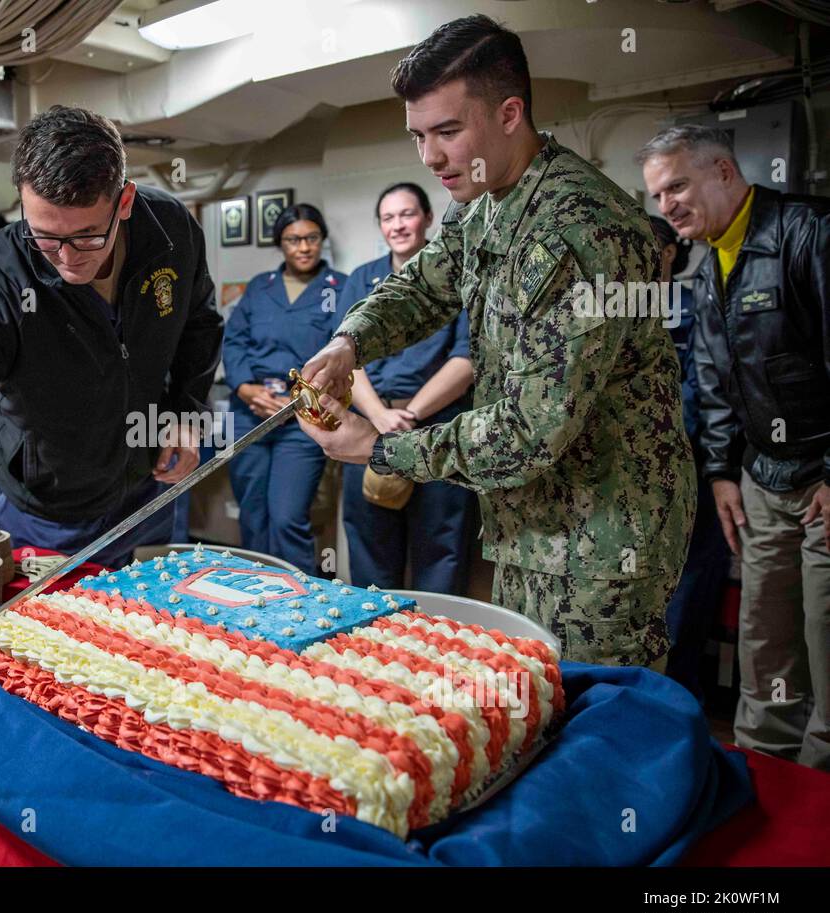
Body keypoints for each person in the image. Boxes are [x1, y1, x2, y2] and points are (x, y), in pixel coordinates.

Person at [301, 15, 694, 669]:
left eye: (448, 131)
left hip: (602, 533)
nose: (430, 157)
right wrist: (350, 342)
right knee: (531, 701)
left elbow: (528, 434)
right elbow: (426, 286)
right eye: (419, 135)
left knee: (589, 723)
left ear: (510, 113)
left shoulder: (578, 229)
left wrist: (380, 448)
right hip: (530, 523)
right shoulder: (484, 203)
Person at [0, 104, 223, 663]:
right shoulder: (4, 272)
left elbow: (200, 324)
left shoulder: (170, 231)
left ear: (124, 202)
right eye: (45, 238)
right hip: (46, 507)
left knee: (150, 656)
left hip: (147, 490)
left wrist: (185, 410)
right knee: (53, 667)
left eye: (85, 238)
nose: (64, 259)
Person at [639, 125, 829, 768]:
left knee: (825, 638)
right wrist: (721, 474)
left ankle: (819, 795)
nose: (667, 206)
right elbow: (719, 389)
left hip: (821, 480)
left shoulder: (807, 232)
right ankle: (765, 771)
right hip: (758, 480)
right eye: (658, 195)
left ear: (723, 170)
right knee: (764, 641)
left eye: (678, 186)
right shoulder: (705, 269)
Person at [337, 183, 474, 593]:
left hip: (438, 427)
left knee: (441, 544)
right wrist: (379, 416)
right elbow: (344, 356)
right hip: (371, 425)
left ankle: (441, 648)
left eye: (407, 214)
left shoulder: (461, 274)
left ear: (429, 218)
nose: (398, 225)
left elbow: (467, 358)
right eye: (388, 217)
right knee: (370, 545)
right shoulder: (363, 279)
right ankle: (375, 642)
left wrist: (410, 415)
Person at [222, 203, 347, 572]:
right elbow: (234, 341)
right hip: (250, 415)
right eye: (293, 240)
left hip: (304, 418)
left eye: (311, 238)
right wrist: (246, 389)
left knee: (287, 516)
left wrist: (297, 399)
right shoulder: (262, 287)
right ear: (281, 244)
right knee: (252, 514)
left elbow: (342, 352)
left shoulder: (339, 287)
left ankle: (299, 603)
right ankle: (253, 595)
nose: (304, 247)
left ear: (322, 240)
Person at [646, 214, 730, 701]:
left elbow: (707, 384)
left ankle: (678, 697)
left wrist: (667, 440)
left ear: (670, 252)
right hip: (631, 475)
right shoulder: (611, 309)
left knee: (689, 587)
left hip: (694, 463)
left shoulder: (694, 302)